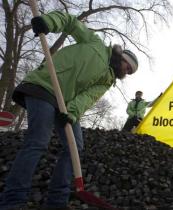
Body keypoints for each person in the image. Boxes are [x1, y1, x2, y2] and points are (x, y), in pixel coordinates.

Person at [0, 11, 138, 210]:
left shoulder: (108, 81)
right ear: (122, 58)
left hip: (63, 103)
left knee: (75, 146)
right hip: (44, 86)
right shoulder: (95, 43)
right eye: (128, 68)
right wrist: (48, 22)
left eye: (130, 72)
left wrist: (72, 113)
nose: (127, 73)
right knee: (38, 141)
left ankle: (57, 202)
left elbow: (86, 98)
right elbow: (71, 22)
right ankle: (12, 201)